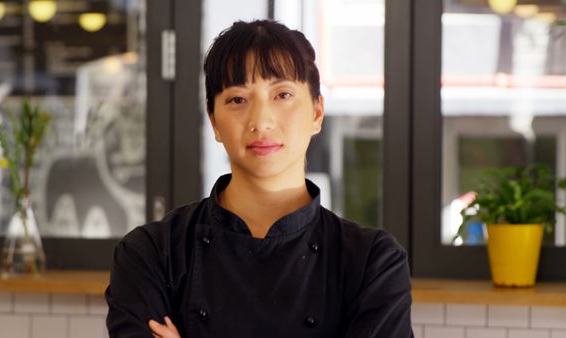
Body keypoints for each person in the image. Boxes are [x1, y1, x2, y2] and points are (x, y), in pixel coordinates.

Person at [106, 19, 412, 338]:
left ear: (317, 113)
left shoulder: (372, 263)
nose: (261, 121)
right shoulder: (152, 254)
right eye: (238, 99)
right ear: (214, 121)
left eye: (282, 95)